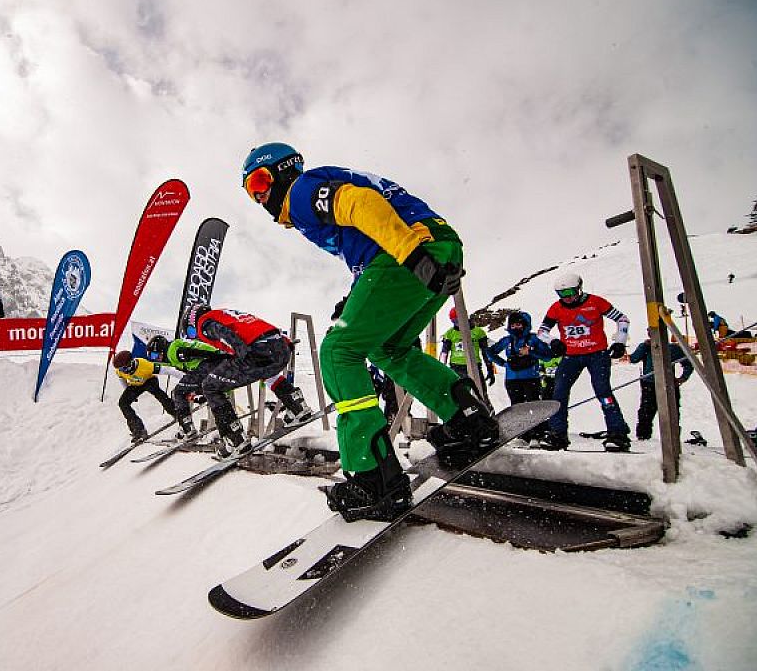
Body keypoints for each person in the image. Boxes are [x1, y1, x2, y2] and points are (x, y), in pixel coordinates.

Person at [241, 142, 496, 522]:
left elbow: (360, 204)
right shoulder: (312, 194)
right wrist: (358, 294)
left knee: (337, 352)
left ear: (284, 171)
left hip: (408, 254)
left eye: (260, 181)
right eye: (250, 191)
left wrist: (411, 253)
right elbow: (369, 230)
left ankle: (372, 477)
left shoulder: (302, 190)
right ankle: (468, 419)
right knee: (388, 348)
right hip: (437, 247)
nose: (260, 196)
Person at [173, 304, 313, 458]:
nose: (197, 336)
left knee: (210, 386)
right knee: (266, 372)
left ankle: (235, 439)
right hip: (281, 346)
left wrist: (243, 353)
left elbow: (224, 333)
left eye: (192, 333)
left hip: (256, 351)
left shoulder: (205, 322)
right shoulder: (228, 314)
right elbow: (260, 328)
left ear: (193, 320)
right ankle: (297, 406)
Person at [536, 273, 632, 451]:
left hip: (597, 354)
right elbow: (542, 331)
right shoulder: (556, 308)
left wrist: (620, 342)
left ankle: (617, 433)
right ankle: (558, 434)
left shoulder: (596, 302)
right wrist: (553, 341)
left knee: (603, 391)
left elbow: (622, 318)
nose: (567, 297)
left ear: (579, 289)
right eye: (562, 294)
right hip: (570, 356)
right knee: (558, 393)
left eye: (571, 292)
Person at [485, 311, 553, 441]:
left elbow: (548, 355)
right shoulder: (507, 340)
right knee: (517, 407)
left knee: (534, 406)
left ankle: (537, 434)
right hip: (512, 380)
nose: (515, 328)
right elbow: (490, 352)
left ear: (525, 325)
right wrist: (503, 363)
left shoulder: (533, 339)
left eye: (518, 325)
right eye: (513, 325)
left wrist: (531, 352)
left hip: (531, 378)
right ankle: (522, 435)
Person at [627, 336, 694, 440]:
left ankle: (673, 439)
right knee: (646, 412)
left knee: (672, 413)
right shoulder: (646, 347)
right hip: (649, 384)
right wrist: (644, 347)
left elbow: (688, 364)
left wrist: (682, 378)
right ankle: (643, 437)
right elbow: (633, 359)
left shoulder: (673, 348)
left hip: (668, 384)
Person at [112, 349, 181, 444]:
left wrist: (185, 378)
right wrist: (127, 391)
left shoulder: (145, 365)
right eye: (121, 369)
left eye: (124, 368)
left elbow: (168, 370)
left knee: (159, 394)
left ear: (131, 363)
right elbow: (121, 379)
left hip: (149, 380)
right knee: (123, 403)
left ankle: (176, 413)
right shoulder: (120, 371)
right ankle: (138, 430)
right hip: (135, 384)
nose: (123, 371)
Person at [440, 307, 495, 386]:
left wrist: (490, 369)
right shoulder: (449, 334)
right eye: (454, 321)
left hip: (474, 367)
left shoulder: (478, 332)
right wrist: (442, 370)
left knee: (481, 394)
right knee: (459, 396)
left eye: (458, 320)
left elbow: (486, 352)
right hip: (456, 368)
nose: (457, 323)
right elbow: (444, 353)